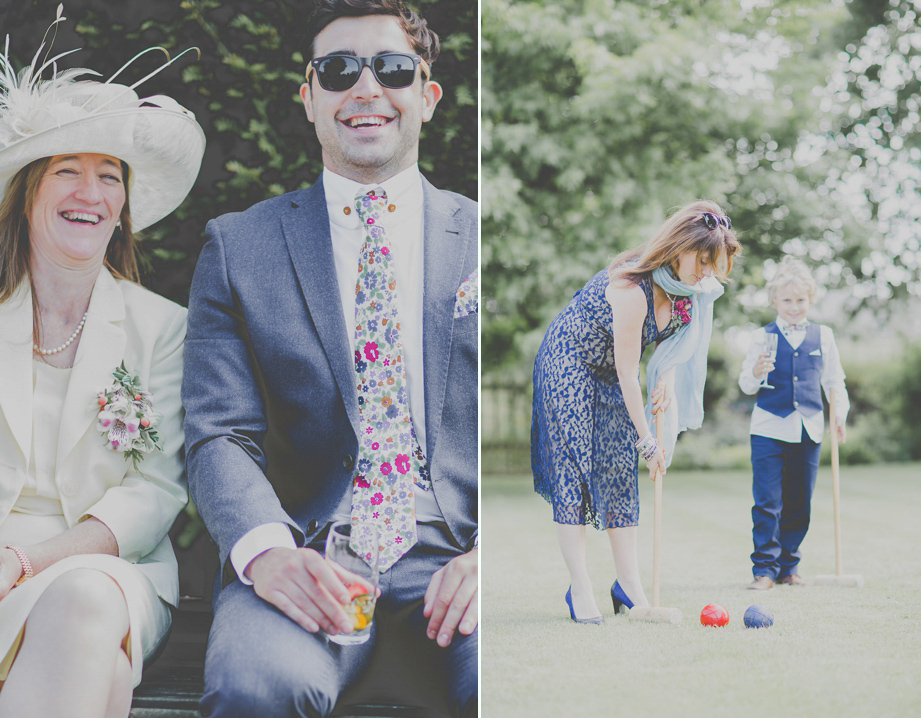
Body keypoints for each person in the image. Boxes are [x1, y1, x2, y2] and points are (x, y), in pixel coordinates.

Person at [181, 1, 478, 716]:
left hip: (462, 559)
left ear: (427, 97)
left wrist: (496, 557)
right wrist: (267, 552)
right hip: (308, 552)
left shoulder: (481, 235)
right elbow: (218, 433)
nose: (367, 88)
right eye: (340, 70)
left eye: (393, 69)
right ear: (310, 97)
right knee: (256, 685)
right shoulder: (238, 246)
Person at [0, 15, 204, 718]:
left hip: (112, 571)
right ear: (27, 194)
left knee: (83, 602)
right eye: (67, 172)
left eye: (108, 176)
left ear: (122, 207)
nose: (90, 193)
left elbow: (152, 496)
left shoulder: (164, 330)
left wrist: (25, 563)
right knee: (105, 684)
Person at [531, 200, 741, 623]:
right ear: (679, 247)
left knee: (617, 472)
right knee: (574, 468)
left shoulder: (687, 295)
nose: (706, 273)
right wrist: (647, 442)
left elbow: (673, 348)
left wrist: (665, 379)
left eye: (713, 265)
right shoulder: (631, 289)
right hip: (569, 361)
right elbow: (630, 374)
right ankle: (580, 587)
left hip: (611, 372)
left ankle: (628, 586)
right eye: (702, 261)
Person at [739, 256, 849, 590]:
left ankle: (790, 568)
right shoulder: (761, 336)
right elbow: (745, 384)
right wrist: (757, 371)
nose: (794, 306)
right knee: (768, 502)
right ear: (774, 301)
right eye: (787, 300)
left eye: (800, 300)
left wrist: (839, 414)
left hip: (810, 427)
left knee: (800, 502)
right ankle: (765, 570)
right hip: (769, 428)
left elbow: (835, 381)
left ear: (810, 300)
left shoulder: (823, 335)